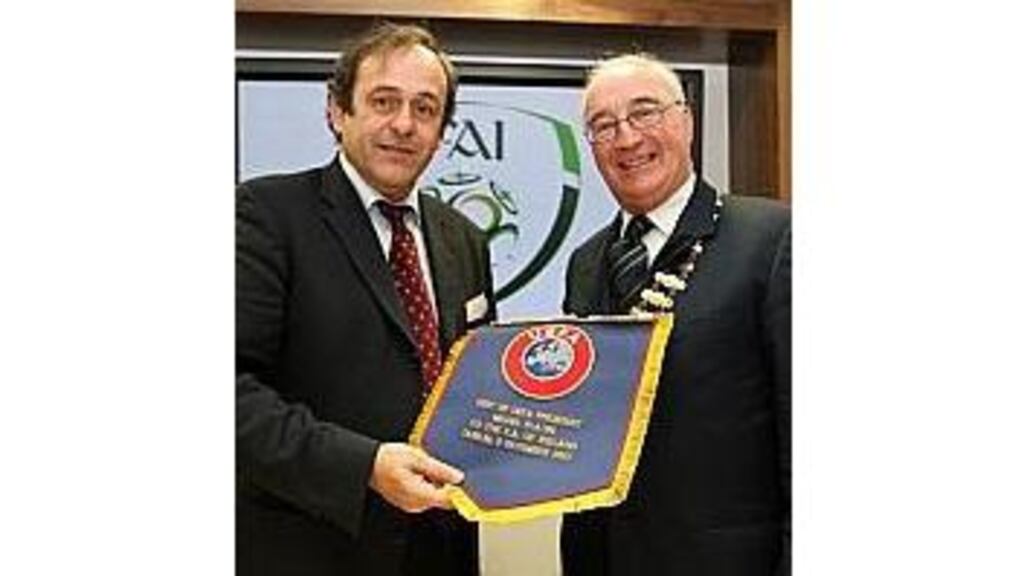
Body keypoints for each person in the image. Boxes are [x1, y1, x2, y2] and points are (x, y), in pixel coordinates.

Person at [236, 22, 495, 576]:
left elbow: (476, 386)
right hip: (315, 546)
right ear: (337, 111)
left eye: (425, 109)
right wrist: (364, 467)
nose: (404, 124)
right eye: (384, 101)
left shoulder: (464, 239)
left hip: (444, 549)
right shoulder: (265, 215)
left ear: (442, 129)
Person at [560, 53, 791, 575]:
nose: (627, 138)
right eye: (604, 125)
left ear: (686, 121)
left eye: (645, 112)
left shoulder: (772, 239)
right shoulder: (586, 263)